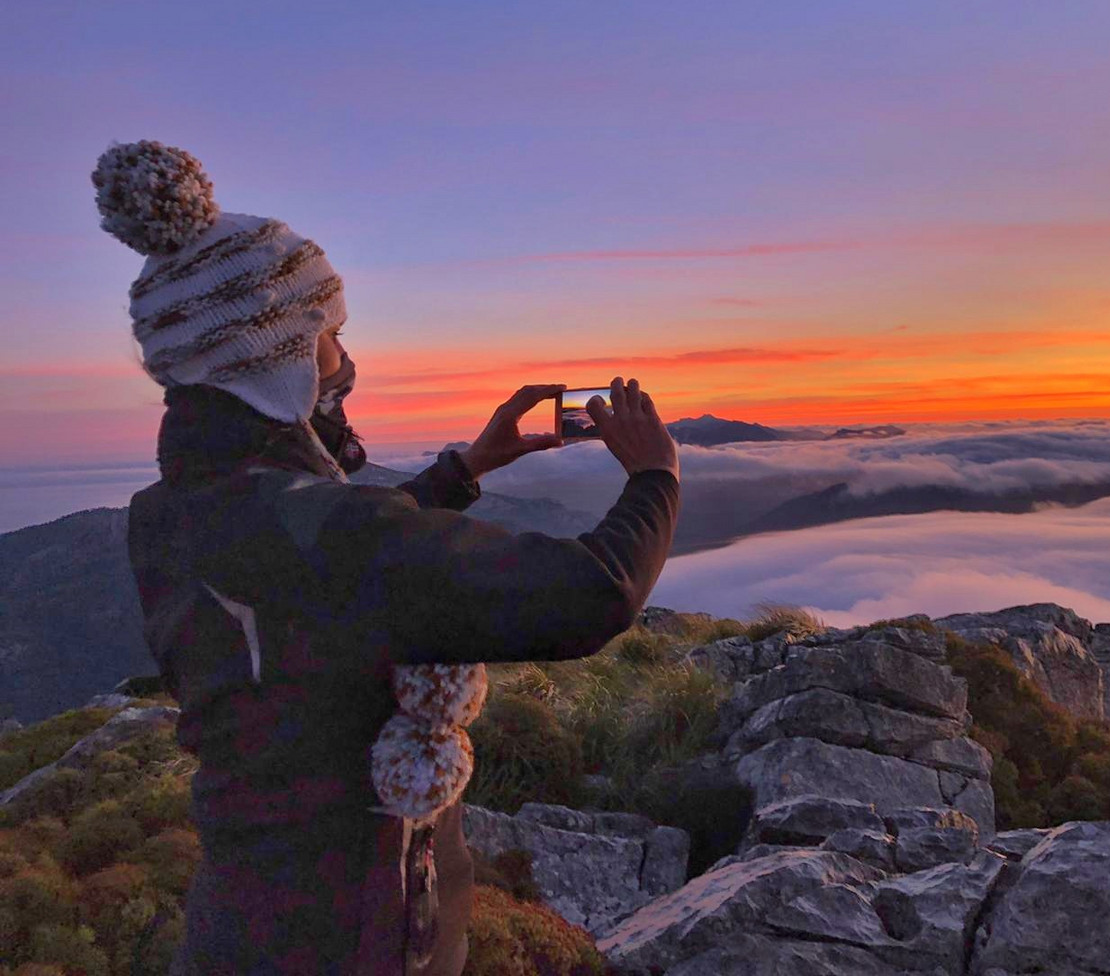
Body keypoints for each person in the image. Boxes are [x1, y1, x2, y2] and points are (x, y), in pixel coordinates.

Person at [94, 139, 681, 975]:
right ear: (281, 353)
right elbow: (594, 594)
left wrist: (467, 470)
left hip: (245, 915)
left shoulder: (173, 512)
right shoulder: (325, 533)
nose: (344, 357)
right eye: (330, 332)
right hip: (352, 930)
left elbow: (327, 567)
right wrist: (658, 475)